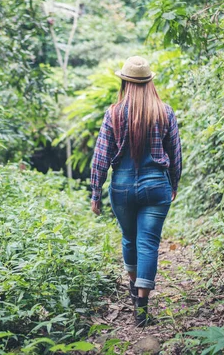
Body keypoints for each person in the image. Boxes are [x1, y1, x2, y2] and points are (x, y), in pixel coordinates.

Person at [90, 56, 182, 327]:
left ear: (125, 82)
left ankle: (134, 289)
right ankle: (142, 308)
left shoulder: (113, 113)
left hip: (123, 187)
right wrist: (174, 183)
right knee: (149, 244)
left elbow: (101, 156)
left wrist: (95, 192)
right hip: (156, 186)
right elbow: (175, 154)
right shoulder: (165, 112)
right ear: (149, 82)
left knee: (130, 239)